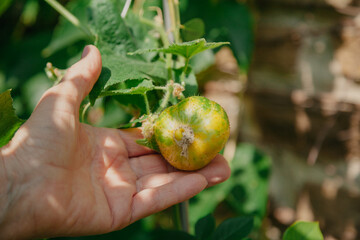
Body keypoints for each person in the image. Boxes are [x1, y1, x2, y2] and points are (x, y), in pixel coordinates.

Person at [0, 45, 231, 239]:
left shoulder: (173, 131)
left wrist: (18, 185)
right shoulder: (173, 132)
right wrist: (18, 182)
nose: (183, 136)